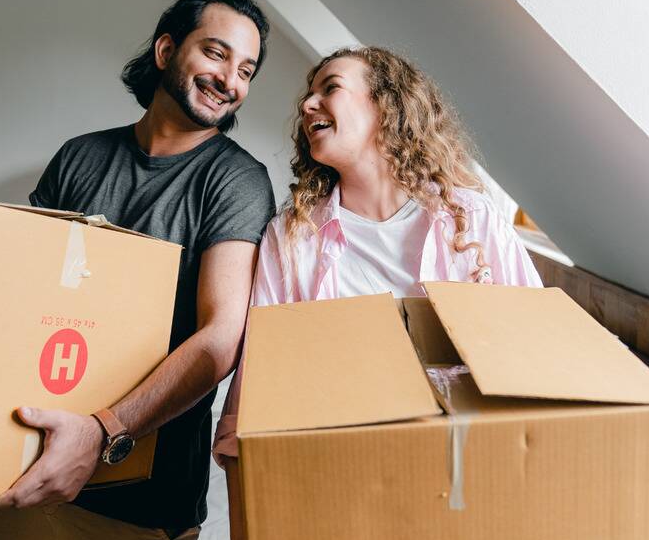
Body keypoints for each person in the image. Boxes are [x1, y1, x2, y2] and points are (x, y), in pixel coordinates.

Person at [0, 0, 277, 540]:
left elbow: (220, 339)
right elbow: (19, 298)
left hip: (142, 494)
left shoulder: (236, 181)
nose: (230, 80)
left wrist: (102, 430)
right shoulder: (79, 157)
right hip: (26, 459)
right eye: (216, 53)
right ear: (166, 50)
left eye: (245, 70)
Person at [213, 45, 543, 461]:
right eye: (307, 96)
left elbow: (539, 348)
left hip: (471, 460)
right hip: (341, 462)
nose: (307, 103)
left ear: (386, 107)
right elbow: (261, 373)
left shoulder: (472, 218)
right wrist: (235, 442)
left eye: (330, 87)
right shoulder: (292, 238)